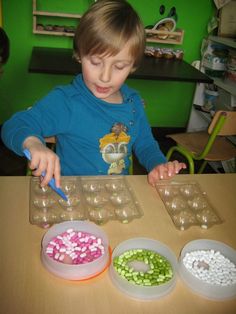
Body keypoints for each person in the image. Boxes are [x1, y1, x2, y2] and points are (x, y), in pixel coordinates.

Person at [1, 0, 186, 187]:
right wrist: (33, 143)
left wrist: (158, 165)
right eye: (96, 62)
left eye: (119, 66)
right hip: (72, 196)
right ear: (80, 55)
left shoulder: (133, 103)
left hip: (114, 194)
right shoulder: (67, 101)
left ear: (133, 66)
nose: (105, 77)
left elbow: (146, 144)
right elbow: (14, 125)